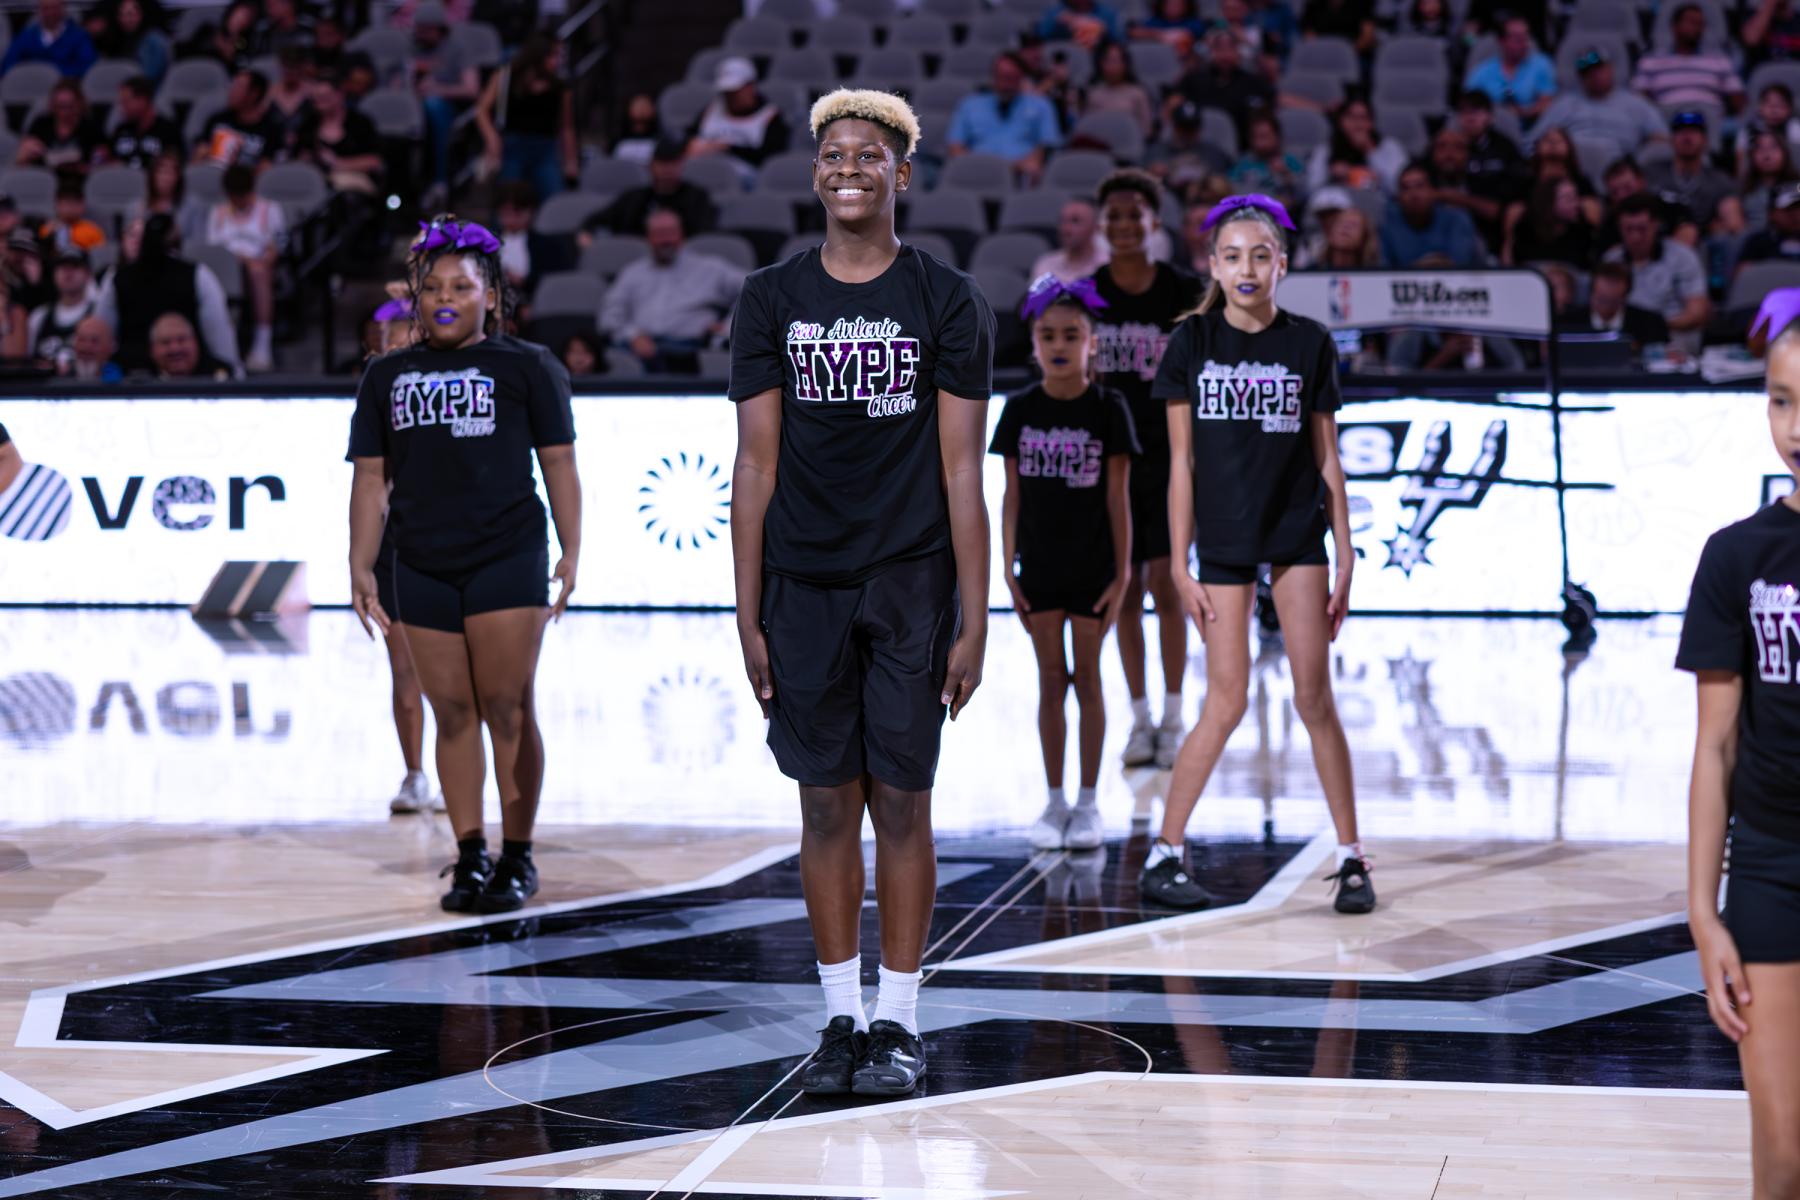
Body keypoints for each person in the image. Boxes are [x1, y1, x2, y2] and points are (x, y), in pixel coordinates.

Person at [729, 88, 994, 1099]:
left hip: (911, 580)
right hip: (801, 583)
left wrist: (976, 618)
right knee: (824, 803)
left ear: (901, 174)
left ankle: (901, 1021)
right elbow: (754, 464)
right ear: (815, 174)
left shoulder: (948, 299)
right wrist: (745, 609)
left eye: (869, 155)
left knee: (905, 802)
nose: (850, 167)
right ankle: (840, 1017)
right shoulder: (770, 298)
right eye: (834, 153)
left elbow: (964, 470)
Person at [1142, 192, 1373, 915]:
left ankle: (1352, 857)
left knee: (1313, 696)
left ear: (1283, 265)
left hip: (1296, 534)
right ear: (1213, 266)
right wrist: (1177, 563)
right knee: (1227, 698)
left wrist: (1346, 553)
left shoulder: (1310, 342)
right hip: (1223, 540)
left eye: (1261, 255)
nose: (1247, 267)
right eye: (1233, 256)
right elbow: (1181, 466)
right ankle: (1165, 853)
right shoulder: (1191, 342)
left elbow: (1328, 459)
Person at [348, 213, 583, 914]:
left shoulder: (528, 365)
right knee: (451, 713)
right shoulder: (386, 374)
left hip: (506, 554)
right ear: (415, 298)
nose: (445, 297)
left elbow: (559, 464)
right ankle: (471, 853)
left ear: (491, 296)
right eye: (433, 287)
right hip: (419, 561)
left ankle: (518, 854)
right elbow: (369, 478)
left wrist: (572, 549)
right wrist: (360, 563)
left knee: (507, 707)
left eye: (461, 286)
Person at [1680, 287, 1800, 1200]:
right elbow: (1714, 747)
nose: (1795, 426)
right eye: (1781, 400)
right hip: (1771, 869)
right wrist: (1702, 910)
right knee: (1784, 1156)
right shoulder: (1736, 557)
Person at [994, 276, 1137, 852]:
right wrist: (1007, 569)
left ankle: (1089, 802)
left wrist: (1123, 575)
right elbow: (1010, 498)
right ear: (1033, 343)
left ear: (1091, 343)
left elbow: (1119, 499)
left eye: (1072, 335)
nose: (1059, 344)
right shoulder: (1019, 408)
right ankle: (1053, 802)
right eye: (1048, 335)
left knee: (1090, 680)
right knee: (1050, 681)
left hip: (1094, 569)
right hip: (1039, 568)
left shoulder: (1109, 408)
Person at [1088, 168, 1205, 769]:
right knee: (1126, 590)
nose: (1125, 225)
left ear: (1154, 222)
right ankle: (1139, 720)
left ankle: (1175, 716)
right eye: (1114, 216)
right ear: (1101, 225)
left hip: (1170, 458)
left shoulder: (1185, 292)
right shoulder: (1085, 294)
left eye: (1135, 214)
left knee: (1168, 583)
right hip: (1111, 463)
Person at [599, 208, 743, 374]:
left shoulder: (710, 268)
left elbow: (751, 291)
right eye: (659, 234)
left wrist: (728, 328)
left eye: (670, 233)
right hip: (640, 353)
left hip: (691, 351)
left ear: (682, 235)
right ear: (648, 238)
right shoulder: (632, 273)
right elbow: (609, 316)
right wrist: (633, 336)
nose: (665, 240)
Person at [96, 213, 242, 375]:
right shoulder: (116, 279)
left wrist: (231, 375)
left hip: (192, 377)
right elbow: (101, 335)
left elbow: (219, 336)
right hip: (133, 377)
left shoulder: (198, 275)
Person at [474, 33, 578, 201]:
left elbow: (567, 127)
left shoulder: (560, 85)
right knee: (509, 199)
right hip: (512, 147)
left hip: (545, 150)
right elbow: (481, 110)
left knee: (554, 199)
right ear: (538, 54)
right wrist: (491, 137)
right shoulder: (506, 76)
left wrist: (571, 162)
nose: (557, 61)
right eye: (553, 55)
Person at [1601, 194, 1711, 352]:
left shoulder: (1682, 257)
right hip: (1623, 339)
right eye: (1628, 229)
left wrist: (1652, 327)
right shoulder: (1611, 260)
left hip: (1672, 337)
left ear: (1655, 225)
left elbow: (1697, 313)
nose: (1635, 237)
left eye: (1642, 229)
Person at [205, 163, 285, 371]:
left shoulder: (270, 209)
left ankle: (262, 346)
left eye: (244, 195)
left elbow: (276, 247)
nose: (240, 201)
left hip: (260, 268)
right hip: (226, 268)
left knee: (258, 271)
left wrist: (260, 261)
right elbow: (213, 249)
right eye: (235, 197)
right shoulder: (218, 213)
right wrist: (241, 260)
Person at [946, 52, 1063, 186]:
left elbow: (1045, 146)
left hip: (1020, 177)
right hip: (975, 176)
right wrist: (974, 168)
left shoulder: (1041, 106)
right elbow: (955, 147)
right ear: (993, 77)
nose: (1005, 84)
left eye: (1010, 78)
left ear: (1021, 78)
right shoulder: (970, 105)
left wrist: (1016, 167)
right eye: (1000, 77)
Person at [1533, 48, 1666, 165]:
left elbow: (1662, 137)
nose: (1594, 76)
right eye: (1587, 73)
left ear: (1610, 69)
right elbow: (1534, 140)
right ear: (1580, 78)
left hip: (1619, 168)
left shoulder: (1636, 104)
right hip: (1572, 169)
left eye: (1599, 69)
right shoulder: (1564, 104)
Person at [585, 137, 719, 241]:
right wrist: (586, 235)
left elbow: (706, 236)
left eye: (673, 164)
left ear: (682, 165)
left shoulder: (698, 198)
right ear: (651, 166)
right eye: (662, 164)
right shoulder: (634, 198)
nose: (667, 170)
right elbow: (595, 221)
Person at [409, 2, 483, 191]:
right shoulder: (412, 46)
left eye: (427, 30)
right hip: (411, 105)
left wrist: (437, 89)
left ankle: (439, 179)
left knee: (433, 105)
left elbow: (472, 89)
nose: (421, 35)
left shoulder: (458, 48)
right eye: (419, 30)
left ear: (440, 29)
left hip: (448, 108)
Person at [1646, 111, 1746, 238]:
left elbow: (1734, 224)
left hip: (1703, 242)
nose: (1687, 136)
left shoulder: (1719, 180)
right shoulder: (1652, 172)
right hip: (1657, 239)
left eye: (1693, 131)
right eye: (1681, 131)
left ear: (1705, 140)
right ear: (1671, 139)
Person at [1632, 3, 1744, 115]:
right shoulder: (1650, 62)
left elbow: (1739, 101)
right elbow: (1639, 98)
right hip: (1666, 116)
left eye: (1700, 24)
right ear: (1674, 26)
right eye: (1692, 22)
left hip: (1708, 117)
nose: (1697, 28)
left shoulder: (1720, 62)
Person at [688, 56, 792, 174]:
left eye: (735, 91)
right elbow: (690, 136)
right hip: (702, 169)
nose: (730, 96)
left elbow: (769, 160)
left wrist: (727, 148)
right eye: (726, 92)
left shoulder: (770, 116)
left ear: (750, 87)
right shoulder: (712, 109)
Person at [292, 70, 384, 195]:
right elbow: (296, 156)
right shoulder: (309, 124)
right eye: (316, 99)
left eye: (325, 98)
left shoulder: (360, 123)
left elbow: (374, 161)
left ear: (340, 94)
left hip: (352, 182)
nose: (319, 104)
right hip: (315, 182)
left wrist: (338, 163)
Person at [1170, 29, 1275, 136]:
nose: (1225, 55)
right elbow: (1174, 102)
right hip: (1200, 139)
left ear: (1238, 53)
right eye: (1220, 49)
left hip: (1242, 141)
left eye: (1230, 49)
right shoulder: (1194, 79)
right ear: (1212, 52)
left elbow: (1274, 102)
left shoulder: (1253, 82)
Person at [1380, 160, 1485, 267]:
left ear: (1433, 191)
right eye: (1405, 188)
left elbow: (1459, 266)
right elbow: (1383, 269)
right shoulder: (1388, 224)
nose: (1413, 194)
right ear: (1398, 197)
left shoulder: (1457, 220)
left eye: (1420, 186)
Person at [1429, 124, 1513, 253]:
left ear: (1468, 153)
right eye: (1442, 146)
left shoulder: (1483, 181)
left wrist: (1454, 198)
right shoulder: (1424, 181)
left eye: (1458, 147)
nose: (1449, 154)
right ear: (1432, 153)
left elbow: (1497, 212)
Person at [1463, 16, 1557, 126]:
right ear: (1502, 41)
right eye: (1517, 38)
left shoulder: (1542, 64)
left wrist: (1524, 113)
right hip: (1491, 126)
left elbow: (1547, 101)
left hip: (1533, 126)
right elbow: (1468, 106)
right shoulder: (1481, 72)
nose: (1523, 43)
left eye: (1526, 37)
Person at [1305, 96, 1408, 195]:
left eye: (1363, 118)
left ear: (1371, 123)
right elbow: (1310, 189)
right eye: (1351, 117)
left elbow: (1400, 189)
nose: (1358, 123)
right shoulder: (1326, 149)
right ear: (1341, 121)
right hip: (1339, 202)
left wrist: (1369, 151)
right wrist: (1331, 175)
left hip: (1378, 201)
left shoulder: (1389, 147)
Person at [1555, 259, 1668, 348]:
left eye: (1613, 301)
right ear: (1592, 294)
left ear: (1624, 297)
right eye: (1601, 299)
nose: (1605, 306)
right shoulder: (1567, 323)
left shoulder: (1650, 324)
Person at [195, 69, 288, 172]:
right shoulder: (218, 120)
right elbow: (197, 158)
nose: (231, 91)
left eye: (238, 87)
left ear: (254, 94)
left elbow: (266, 170)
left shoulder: (271, 130)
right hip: (212, 174)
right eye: (232, 85)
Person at [493, 182, 571, 302]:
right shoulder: (486, 244)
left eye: (516, 212)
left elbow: (552, 281)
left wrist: (523, 282)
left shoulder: (547, 245)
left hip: (533, 300)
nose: (510, 218)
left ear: (529, 212)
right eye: (505, 213)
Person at [1506, 176, 1596, 269]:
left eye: (1576, 197)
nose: (1576, 204)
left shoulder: (1583, 233)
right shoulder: (1524, 232)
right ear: (1548, 201)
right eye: (1569, 199)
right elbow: (1511, 267)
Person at [16, 80, 105, 175]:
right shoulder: (41, 125)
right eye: (61, 106)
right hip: (44, 176)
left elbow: (102, 154)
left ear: (80, 105)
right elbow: (24, 155)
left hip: (81, 178)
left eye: (70, 106)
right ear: (53, 106)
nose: (66, 112)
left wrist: (93, 165)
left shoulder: (91, 127)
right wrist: (26, 153)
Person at [27, 249, 96, 368]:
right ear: (54, 274)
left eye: (75, 266)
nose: (68, 272)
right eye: (63, 267)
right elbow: (27, 361)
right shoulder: (39, 316)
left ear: (88, 274)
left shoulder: (98, 314)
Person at [1229, 111, 1306, 212]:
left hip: (1279, 213)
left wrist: (1286, 175)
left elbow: (1303, 195)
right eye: (1255, 137)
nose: (1259, 143)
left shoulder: (1290, 161)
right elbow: (1229, 189)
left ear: (1277, 136)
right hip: (1247, 210)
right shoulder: (1243, 162)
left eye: (1264, 137)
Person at [1, 0, 97, 78]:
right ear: (39, 11)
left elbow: (88, 66)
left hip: (66, 86)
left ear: (63, 9)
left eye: (55, 8)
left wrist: (57, 73)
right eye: (46, 8)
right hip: (33, 84)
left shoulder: (79, 36)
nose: (51, 13)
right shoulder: (27, 36)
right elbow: (8, 64)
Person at [1082, 39, 1155, 140]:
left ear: (1125, 64)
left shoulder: (1137, 93)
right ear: (1101, 64)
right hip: (1099, 144)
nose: (1111, 66)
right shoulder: (1093, 94)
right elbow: (1087, 129)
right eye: (1107, 60)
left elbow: (1146, 129)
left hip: (1130, 144)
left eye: (1115, 61)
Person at [106, 76, 184, 168]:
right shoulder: (120, 131)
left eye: (126, 102)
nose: (121, 108)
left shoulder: (169, 131)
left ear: (143, 100)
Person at [1029, 196, 1110, 282]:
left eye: (1075, 221)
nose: (1066, 229)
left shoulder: (1110, 267)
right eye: (1062, 221)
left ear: (1096, 227)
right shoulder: (1045, 266)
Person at [1741, 131, 1800, 233]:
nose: (1767, 155)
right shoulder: (1743, 192)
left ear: (1785, 152)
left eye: (1773, 147)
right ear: (1751, 155)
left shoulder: (1797, 189)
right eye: (1760, 148)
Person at [1739, 182, 1800, 269]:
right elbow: (1743, 273)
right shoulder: (1759, 243)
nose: (1796, 215)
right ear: (1771, 213)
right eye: (1789, 209)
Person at [39, 179, 106, 256]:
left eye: (75, 203)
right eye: (67, 203)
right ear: (57, 205)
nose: (71, 208)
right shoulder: (48, 230)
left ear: (83, 205)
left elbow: (100, 256)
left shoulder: (93, 230)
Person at [1037, 0, 1127, 45]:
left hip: (1100, 63)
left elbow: (1120, 41)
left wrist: (1104, 30)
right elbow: (1040, 36)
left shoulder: (1107, 14)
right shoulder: (1056, 12)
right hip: (1066, 61)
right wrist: (1057, 24)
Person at [64, 314, 121, 380]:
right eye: (81, 339)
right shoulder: (61, 376)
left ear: (109, 347)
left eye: (94, 341)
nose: (86, 346)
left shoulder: (120, 380)